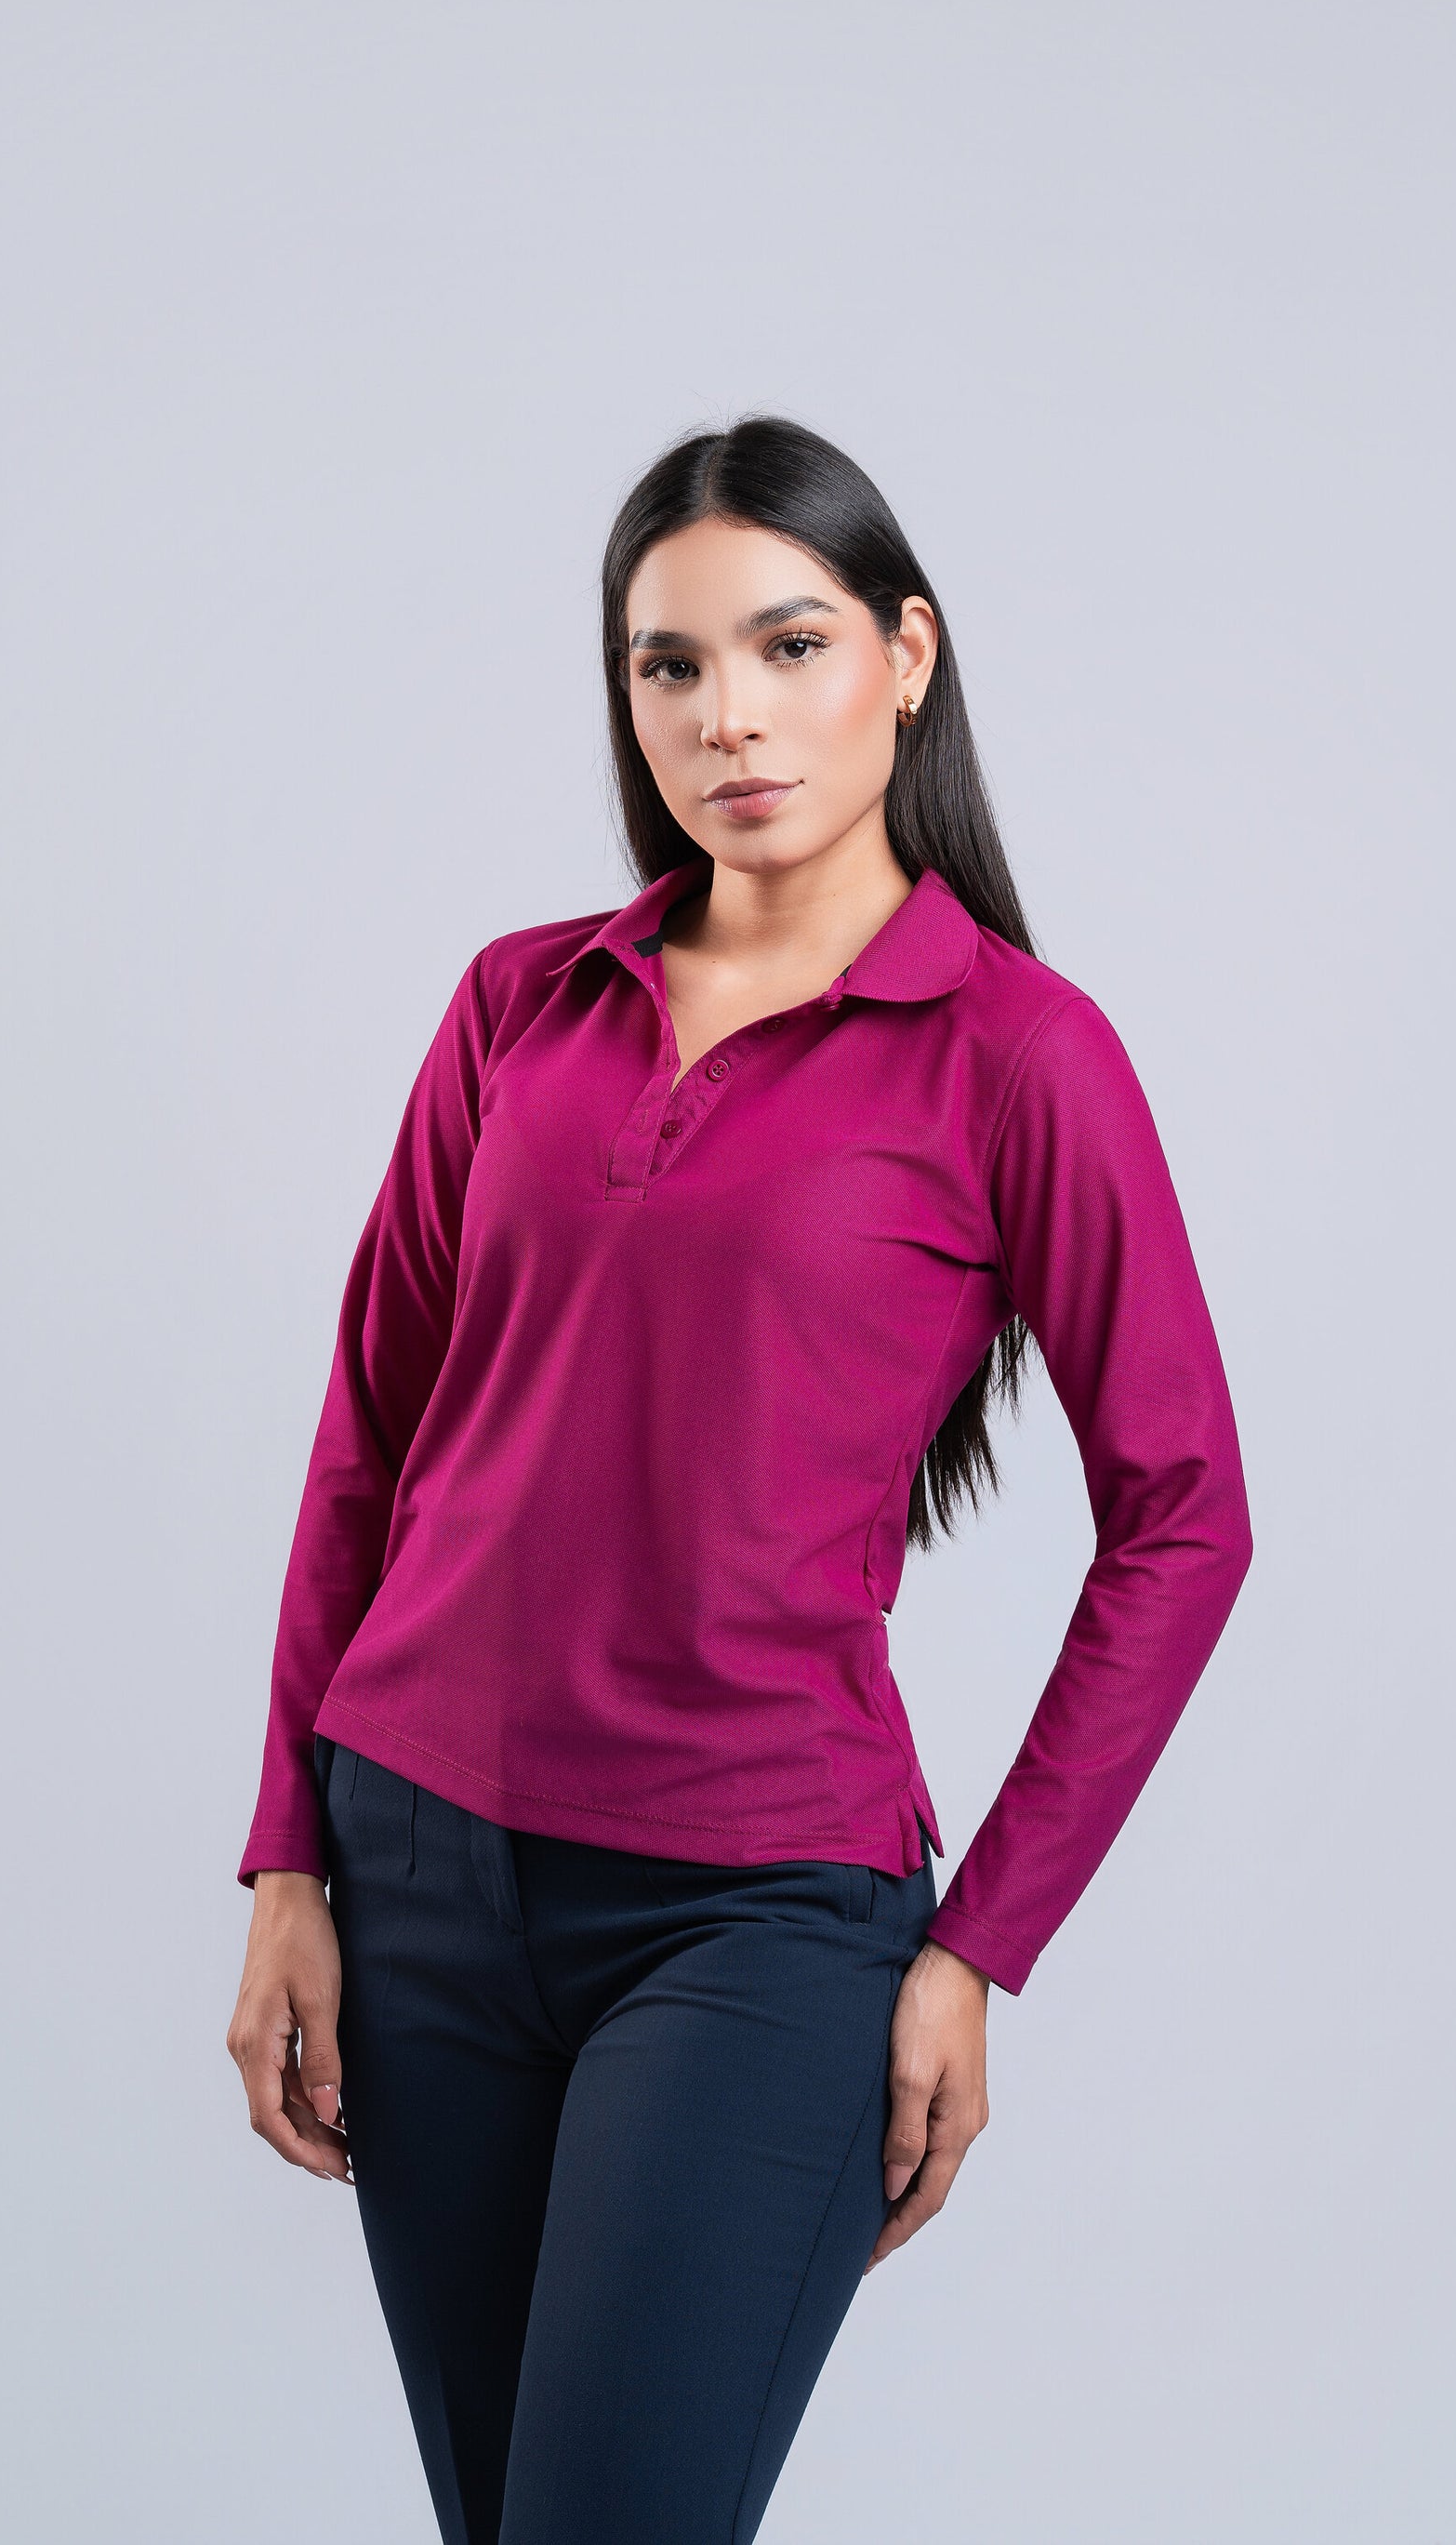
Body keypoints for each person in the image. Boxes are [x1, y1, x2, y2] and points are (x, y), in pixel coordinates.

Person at [225, 416, 1252, 2544]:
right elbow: (367, 1445)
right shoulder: (520, 1003)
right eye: (669, 665)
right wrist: (288, 1860)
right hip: (414, 1881)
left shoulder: (1017, 1054)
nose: (729, 715)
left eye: (788, 645)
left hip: (750, 1914)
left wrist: (979, 1942)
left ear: (905, 654)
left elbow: (1184, 1511)